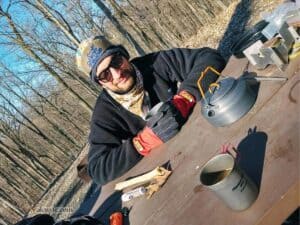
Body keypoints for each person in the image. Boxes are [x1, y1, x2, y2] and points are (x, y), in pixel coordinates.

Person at [76, 36, 226, 185]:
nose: (117, 74)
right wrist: (142, 143)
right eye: (105, 75)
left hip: (196, 139)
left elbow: (209, 57)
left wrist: (185, 98)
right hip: (165, 170)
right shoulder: (104, 113)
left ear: (124, 55)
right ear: (101, 84)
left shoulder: (154, 64)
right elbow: (97, 170)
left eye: (116, 61)